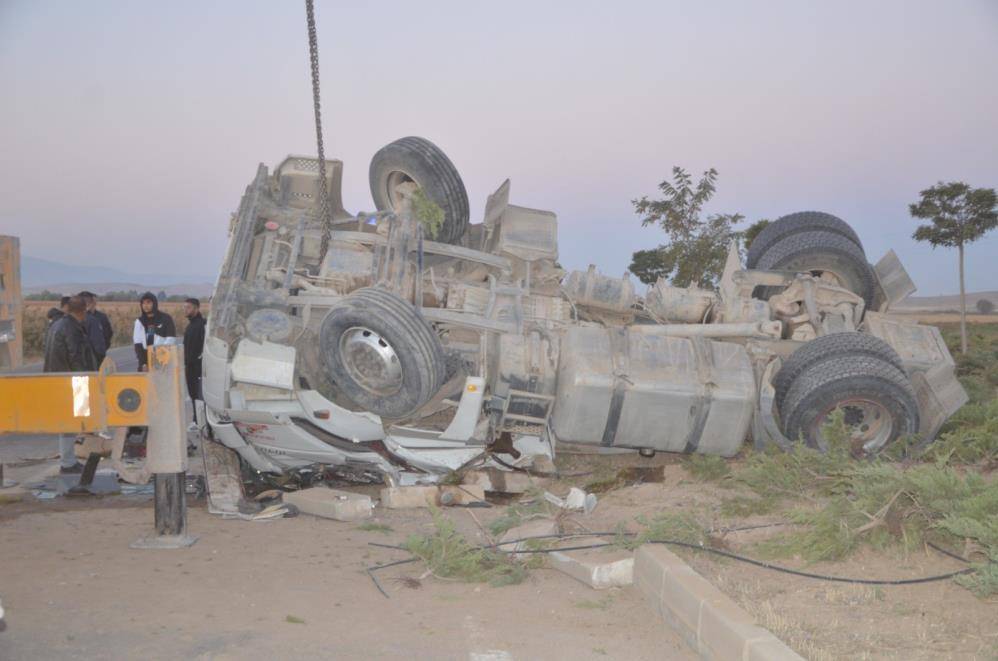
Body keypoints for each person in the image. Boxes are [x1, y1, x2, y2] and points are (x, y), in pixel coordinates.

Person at [43, 295, 97, 474]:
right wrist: (84, 380)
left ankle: (68, 460)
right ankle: (67, 462)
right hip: (71, 381)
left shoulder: (56, 325)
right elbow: (75, 356)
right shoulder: (72, 328)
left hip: (55, 379)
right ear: (83, 311)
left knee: (66, 423)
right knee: (70, 423)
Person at [132, 291, 176, 371]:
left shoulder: (166, 318)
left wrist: (160, 355)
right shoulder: (139, 322)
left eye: (148, 303)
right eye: (143, 303)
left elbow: (171, 339)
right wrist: (143, 363)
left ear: (154, 303)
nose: (145, 306)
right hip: (146, 361)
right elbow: (138, 344)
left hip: (163, 360)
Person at [183, 298, 206, 425]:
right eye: (184, 307)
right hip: (190, 367)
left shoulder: (201, 325)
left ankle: (200, 422)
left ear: (196, 309)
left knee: (198, 395)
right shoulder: (191, 325)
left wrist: (197, 361)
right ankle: (196, 420)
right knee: (193, 394)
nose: (186, 310)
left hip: (197, 367)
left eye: (189, 307)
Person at [77, 291, 108, 365]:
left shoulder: (67, 320)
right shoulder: (92, 320)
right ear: (89, 304)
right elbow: (99, 346)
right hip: (90, 362)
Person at [81, 291, 113, 357]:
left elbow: (108, 333)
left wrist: (103, 347)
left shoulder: (102, 317)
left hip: (98, 354)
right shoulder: (80, 317)